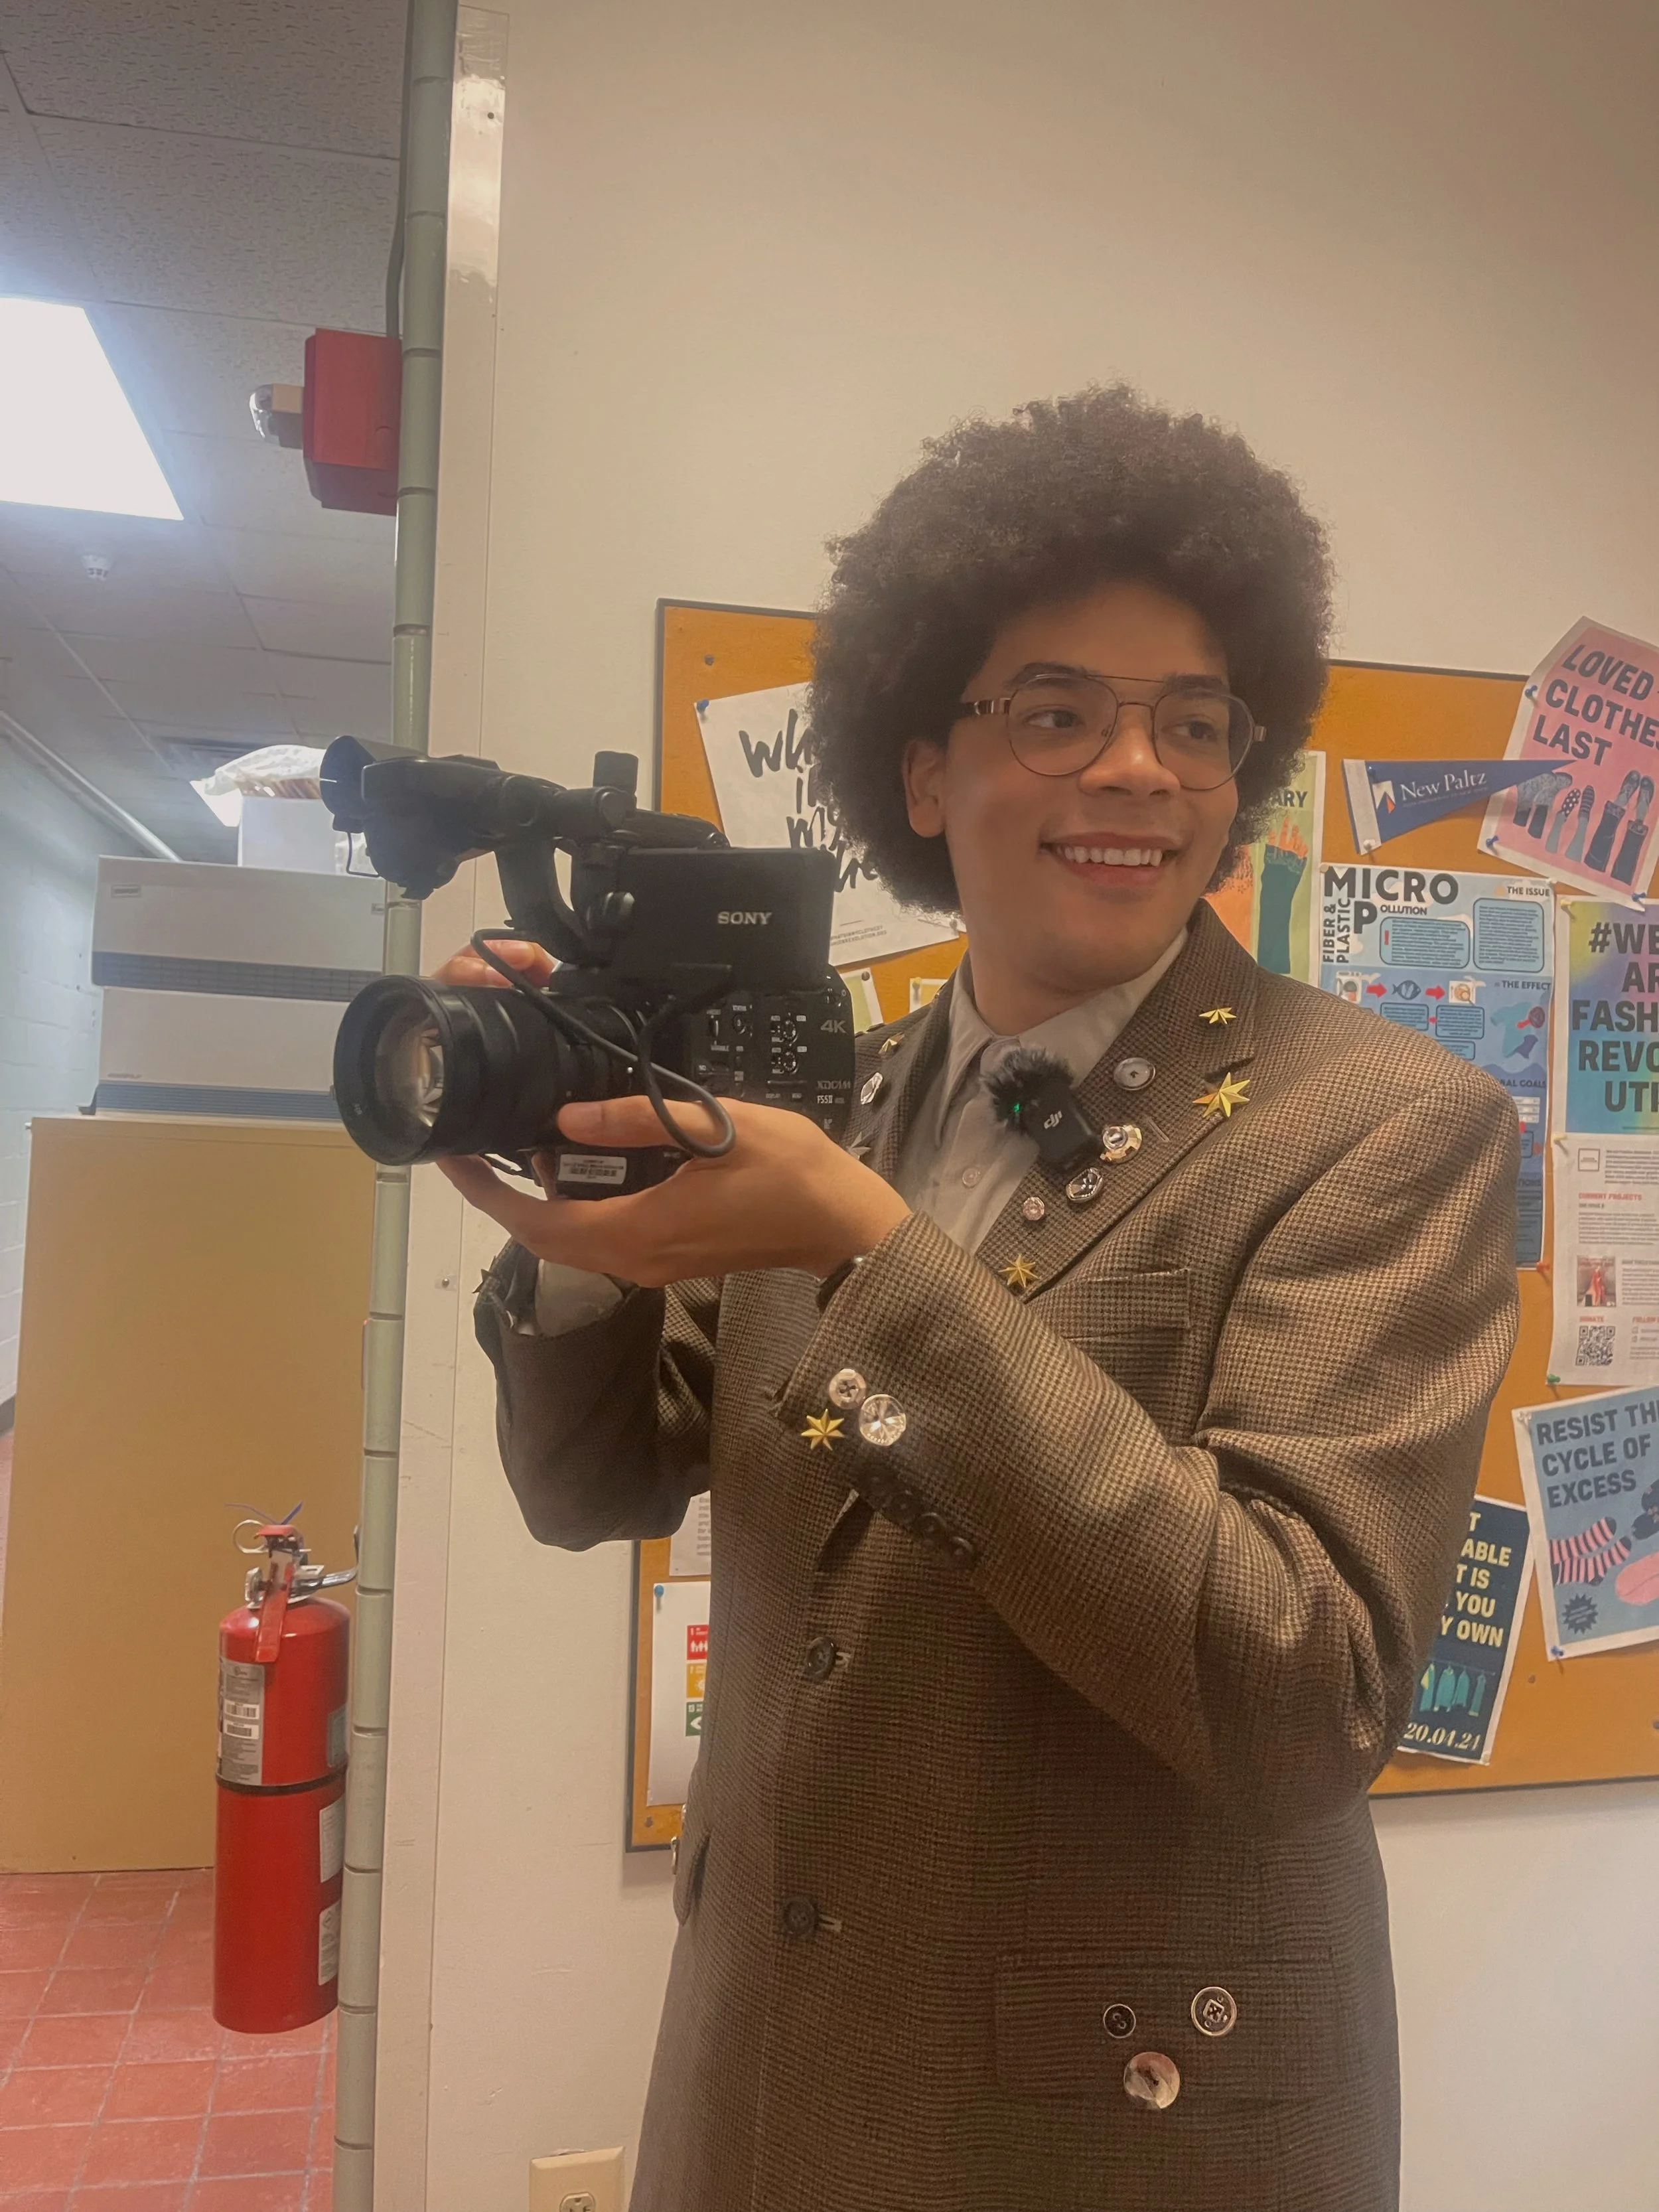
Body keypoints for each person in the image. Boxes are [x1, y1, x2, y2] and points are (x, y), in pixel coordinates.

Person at [441, 387, 1519, 2212]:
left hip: (1127, 2124)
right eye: (1055, 710)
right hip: (765, 2076)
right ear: (920, 771)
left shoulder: (1383, 1129)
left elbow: (1300, 1687)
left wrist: (874, 1256)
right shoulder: (828, 1100)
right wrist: (575, 1193)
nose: (1137, 770)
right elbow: (593, 1481)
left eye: (1195, 722)